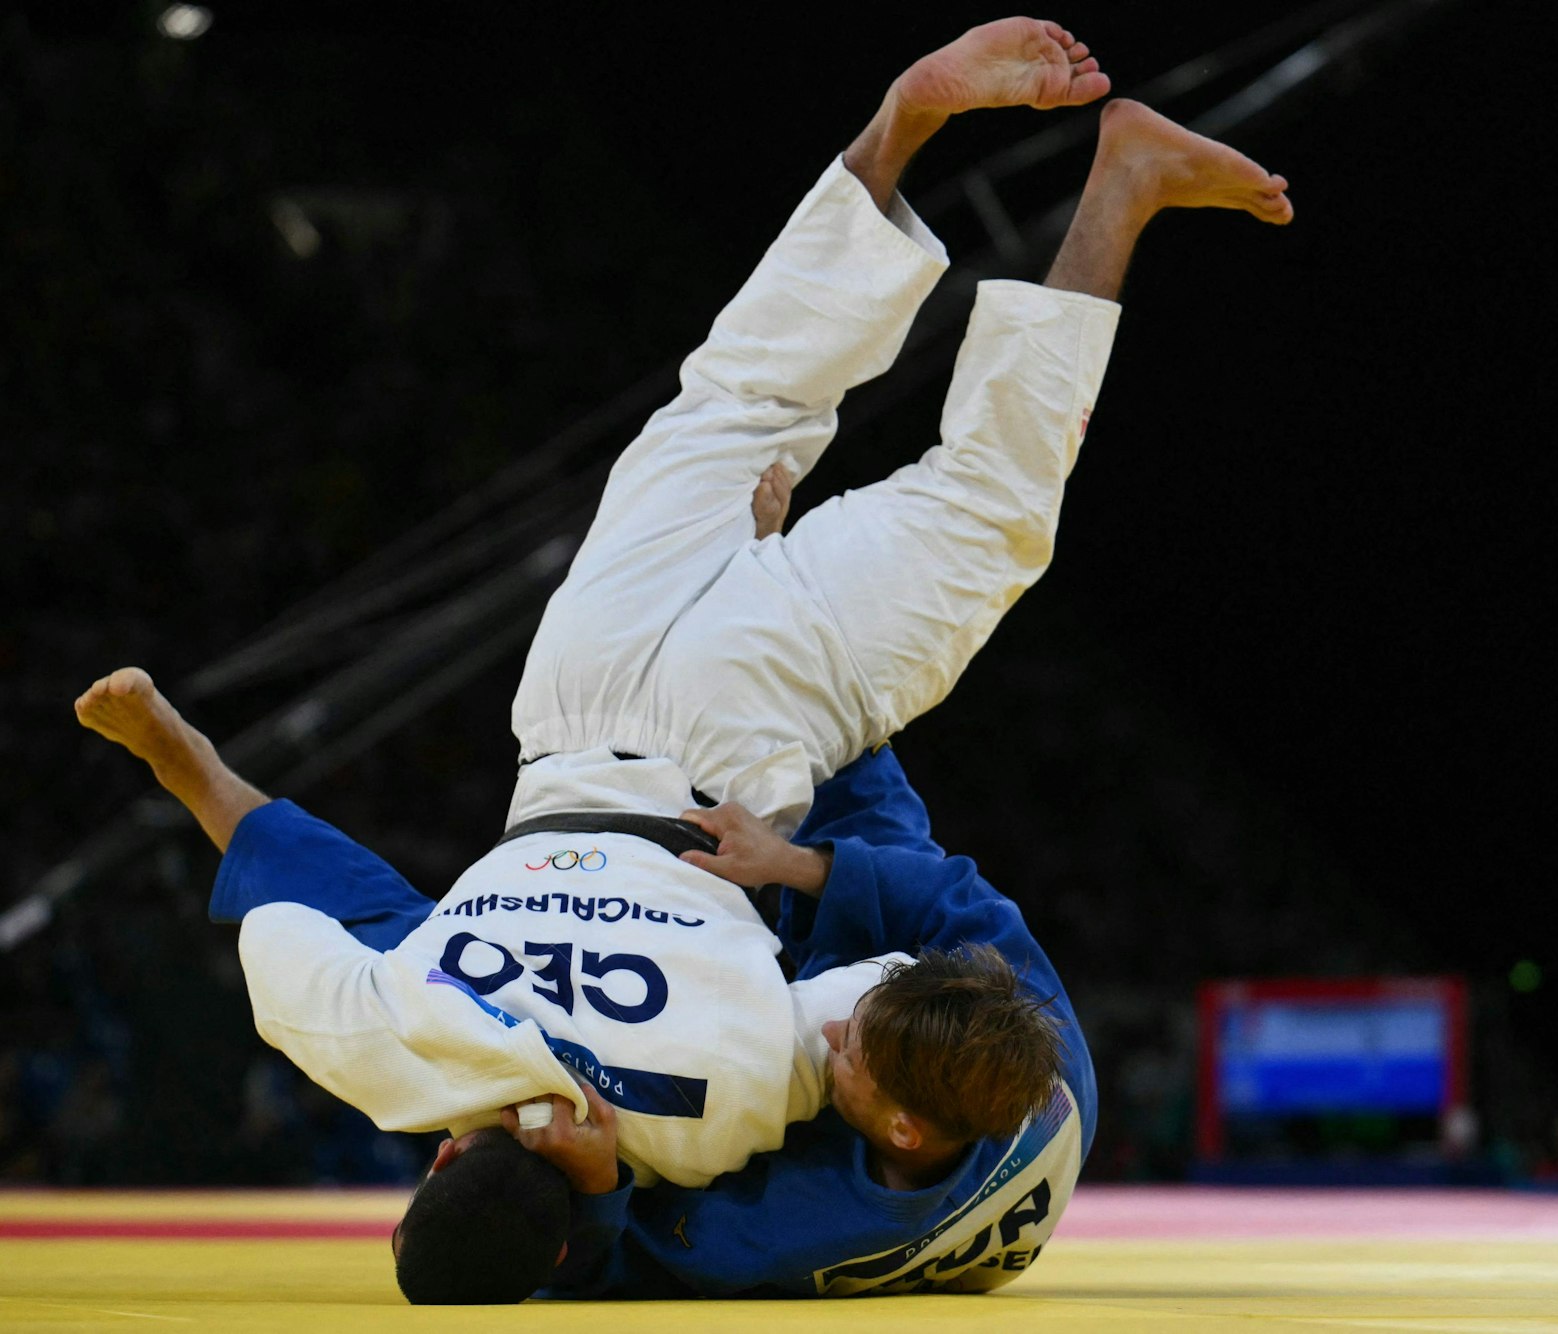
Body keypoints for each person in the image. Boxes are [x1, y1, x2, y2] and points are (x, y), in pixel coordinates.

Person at [75, 15, 1292, 1302]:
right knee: (736, 394)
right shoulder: (405, 1035)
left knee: (981, 506)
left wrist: (809, 820)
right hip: (570, 697)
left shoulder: (753, 1090)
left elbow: (910, 957)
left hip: (742, 735)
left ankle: (1123, 183)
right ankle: (899, 127)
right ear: (434, 1168)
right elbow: (310, 912)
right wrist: (182, 755)